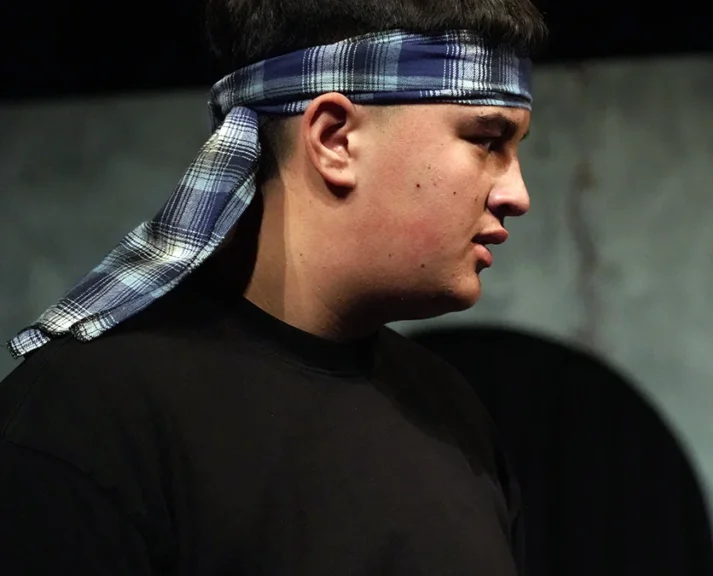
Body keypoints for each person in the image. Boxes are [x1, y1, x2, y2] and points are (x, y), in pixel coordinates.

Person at [0, 0, 547, 574]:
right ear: (335, 139)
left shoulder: (452, 413)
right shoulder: (83, 425)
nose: (517, 194)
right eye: (488, 141)